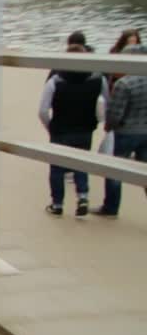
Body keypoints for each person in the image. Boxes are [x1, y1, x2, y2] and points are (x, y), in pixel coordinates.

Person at [38, 44, 107, 217]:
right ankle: (82, 196)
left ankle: (57, 204)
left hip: (60, 129)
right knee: (81, 163)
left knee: (56, 169)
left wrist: (50, 126)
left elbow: (43, 110)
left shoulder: (55, 81)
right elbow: (107, 102)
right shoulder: (99, 80)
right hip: (85, 128)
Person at [96, 44, 147, 218]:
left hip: (126, 132)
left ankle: (111, 208)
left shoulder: (124, 83)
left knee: (115, 170)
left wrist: (108, 126)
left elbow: (115, 114)